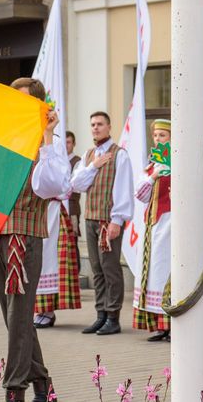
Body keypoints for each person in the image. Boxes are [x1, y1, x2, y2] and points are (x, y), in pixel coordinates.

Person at [0, 77, 69, 402]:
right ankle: (43, 384)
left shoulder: (48, 143)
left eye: (22, 100)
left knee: (19, 316)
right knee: (14, 318)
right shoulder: (6, 138)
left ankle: (15, 390)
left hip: (24, 235)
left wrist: (47, 136)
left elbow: (53, 186)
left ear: (38, 105)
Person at [70, 111, 134, 336]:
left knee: (110, 268)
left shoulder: (119, 155)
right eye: (93, 125)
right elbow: (76, 185)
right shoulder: (89, 155)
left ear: (109, 127)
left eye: (99, 124)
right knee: (97, 269)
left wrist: (117, 219)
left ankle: (113, 316)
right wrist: (94, 166)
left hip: (108, 220)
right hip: (91, 218)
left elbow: (124, 189)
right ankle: (101, 315)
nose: (95, 128)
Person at [34, 131, 83, 328]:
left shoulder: (54, 141)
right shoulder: (26, 135)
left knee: (49, 259)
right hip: (31, 209)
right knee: (34, 259)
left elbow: (62, 182)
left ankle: (47, 309)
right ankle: (35, 308)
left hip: (51, 210)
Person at [133, 119, 172, 342]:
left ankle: (170, 323)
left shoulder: (179, 164)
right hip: (152, 224)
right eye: (156, 136)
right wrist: (153, 176)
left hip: (171, 222)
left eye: (163, 135)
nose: (158, 139)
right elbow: (140, 195)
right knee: (153, 272)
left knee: (165, 270)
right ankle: (159, 324)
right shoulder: (151, 166)